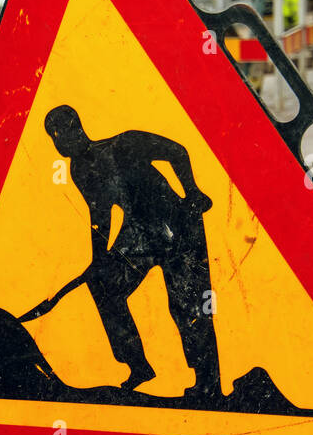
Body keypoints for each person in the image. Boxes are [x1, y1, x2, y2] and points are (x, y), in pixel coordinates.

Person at [44, 105, 219, 397]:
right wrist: (99, 260)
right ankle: (138, 364)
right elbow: (99, 217)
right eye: (53, 136)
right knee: (104, 287)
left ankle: (207, 380)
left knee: (188, 305)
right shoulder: (80, 169)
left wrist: (192, 193)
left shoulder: (125, 144)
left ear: (77, 127)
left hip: (176, 226)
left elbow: (177, 151)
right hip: (138, 235)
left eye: (61, 133)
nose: (58, 141)